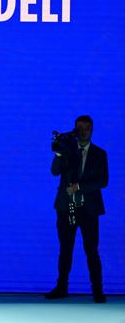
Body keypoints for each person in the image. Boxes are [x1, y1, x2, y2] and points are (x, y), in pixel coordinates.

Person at [46, 115, 108, 303]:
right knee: (65, 249)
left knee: (92, 251)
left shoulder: (99, 153)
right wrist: (59, 153)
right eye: (79, 128)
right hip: (66, 208)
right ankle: (61, 287)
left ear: (92, 130)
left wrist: (79, 187)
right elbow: (54, 171)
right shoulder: (67, 151)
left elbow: (103, 180)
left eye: (86, 128)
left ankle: (97, 290)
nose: (83, 131)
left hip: (89, 209)